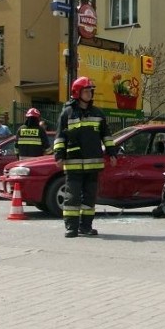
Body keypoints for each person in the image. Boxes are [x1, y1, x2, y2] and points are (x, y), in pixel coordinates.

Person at [53, 76, 117, 238]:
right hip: (73, 164)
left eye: (90, 91)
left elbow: (107, 136)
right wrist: (59, 156)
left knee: (89, 198)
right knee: (72, 197)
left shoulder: (98, 113)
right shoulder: (67, 113)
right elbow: (60, 137)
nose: (89, 94)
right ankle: (71, 228)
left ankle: (86, 227)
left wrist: (112, 153)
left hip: (93, 165)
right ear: (77, 93)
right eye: (86, 91)